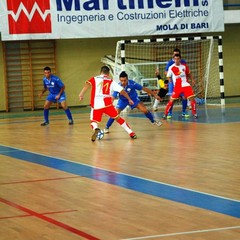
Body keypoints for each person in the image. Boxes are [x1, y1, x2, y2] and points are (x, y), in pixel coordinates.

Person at [79, 66, 137, 141]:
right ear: (108, 73)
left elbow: (87, 85)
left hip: (96, 104)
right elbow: (122, 91)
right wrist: (129, 99)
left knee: (93, 121)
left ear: (100, 72)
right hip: (107, 104)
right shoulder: (111, 80)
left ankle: (96, 129)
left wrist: (81, 94)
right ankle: (131, 133)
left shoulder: (94, 78)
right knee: (118, 118)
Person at [162, 54, 198, 119]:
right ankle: (165, 114)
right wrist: (170, 81)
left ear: (180, 59)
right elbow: (168, 76)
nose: (176, 60)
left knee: (192, 99)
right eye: (175, 59)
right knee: (171, 100)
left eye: (178, 59)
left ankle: (194, 113)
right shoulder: (171, 67)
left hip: (186, 85)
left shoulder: (184, 66)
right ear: (174, 59)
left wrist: (192, 80)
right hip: (177, 86)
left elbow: (189, 74)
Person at [164, 48, 189, 118]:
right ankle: (169, 112)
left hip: (182, 83)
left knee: (184, 97)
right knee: (172, 98)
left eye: (177, 54)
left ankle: (184, 112)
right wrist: (171, 78)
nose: (176, 55)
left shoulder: (183, 62)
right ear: (173, 55)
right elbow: (166, 72)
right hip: (173, 83)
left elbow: (186, 71)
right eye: (174, 54)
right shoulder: (170, 63)